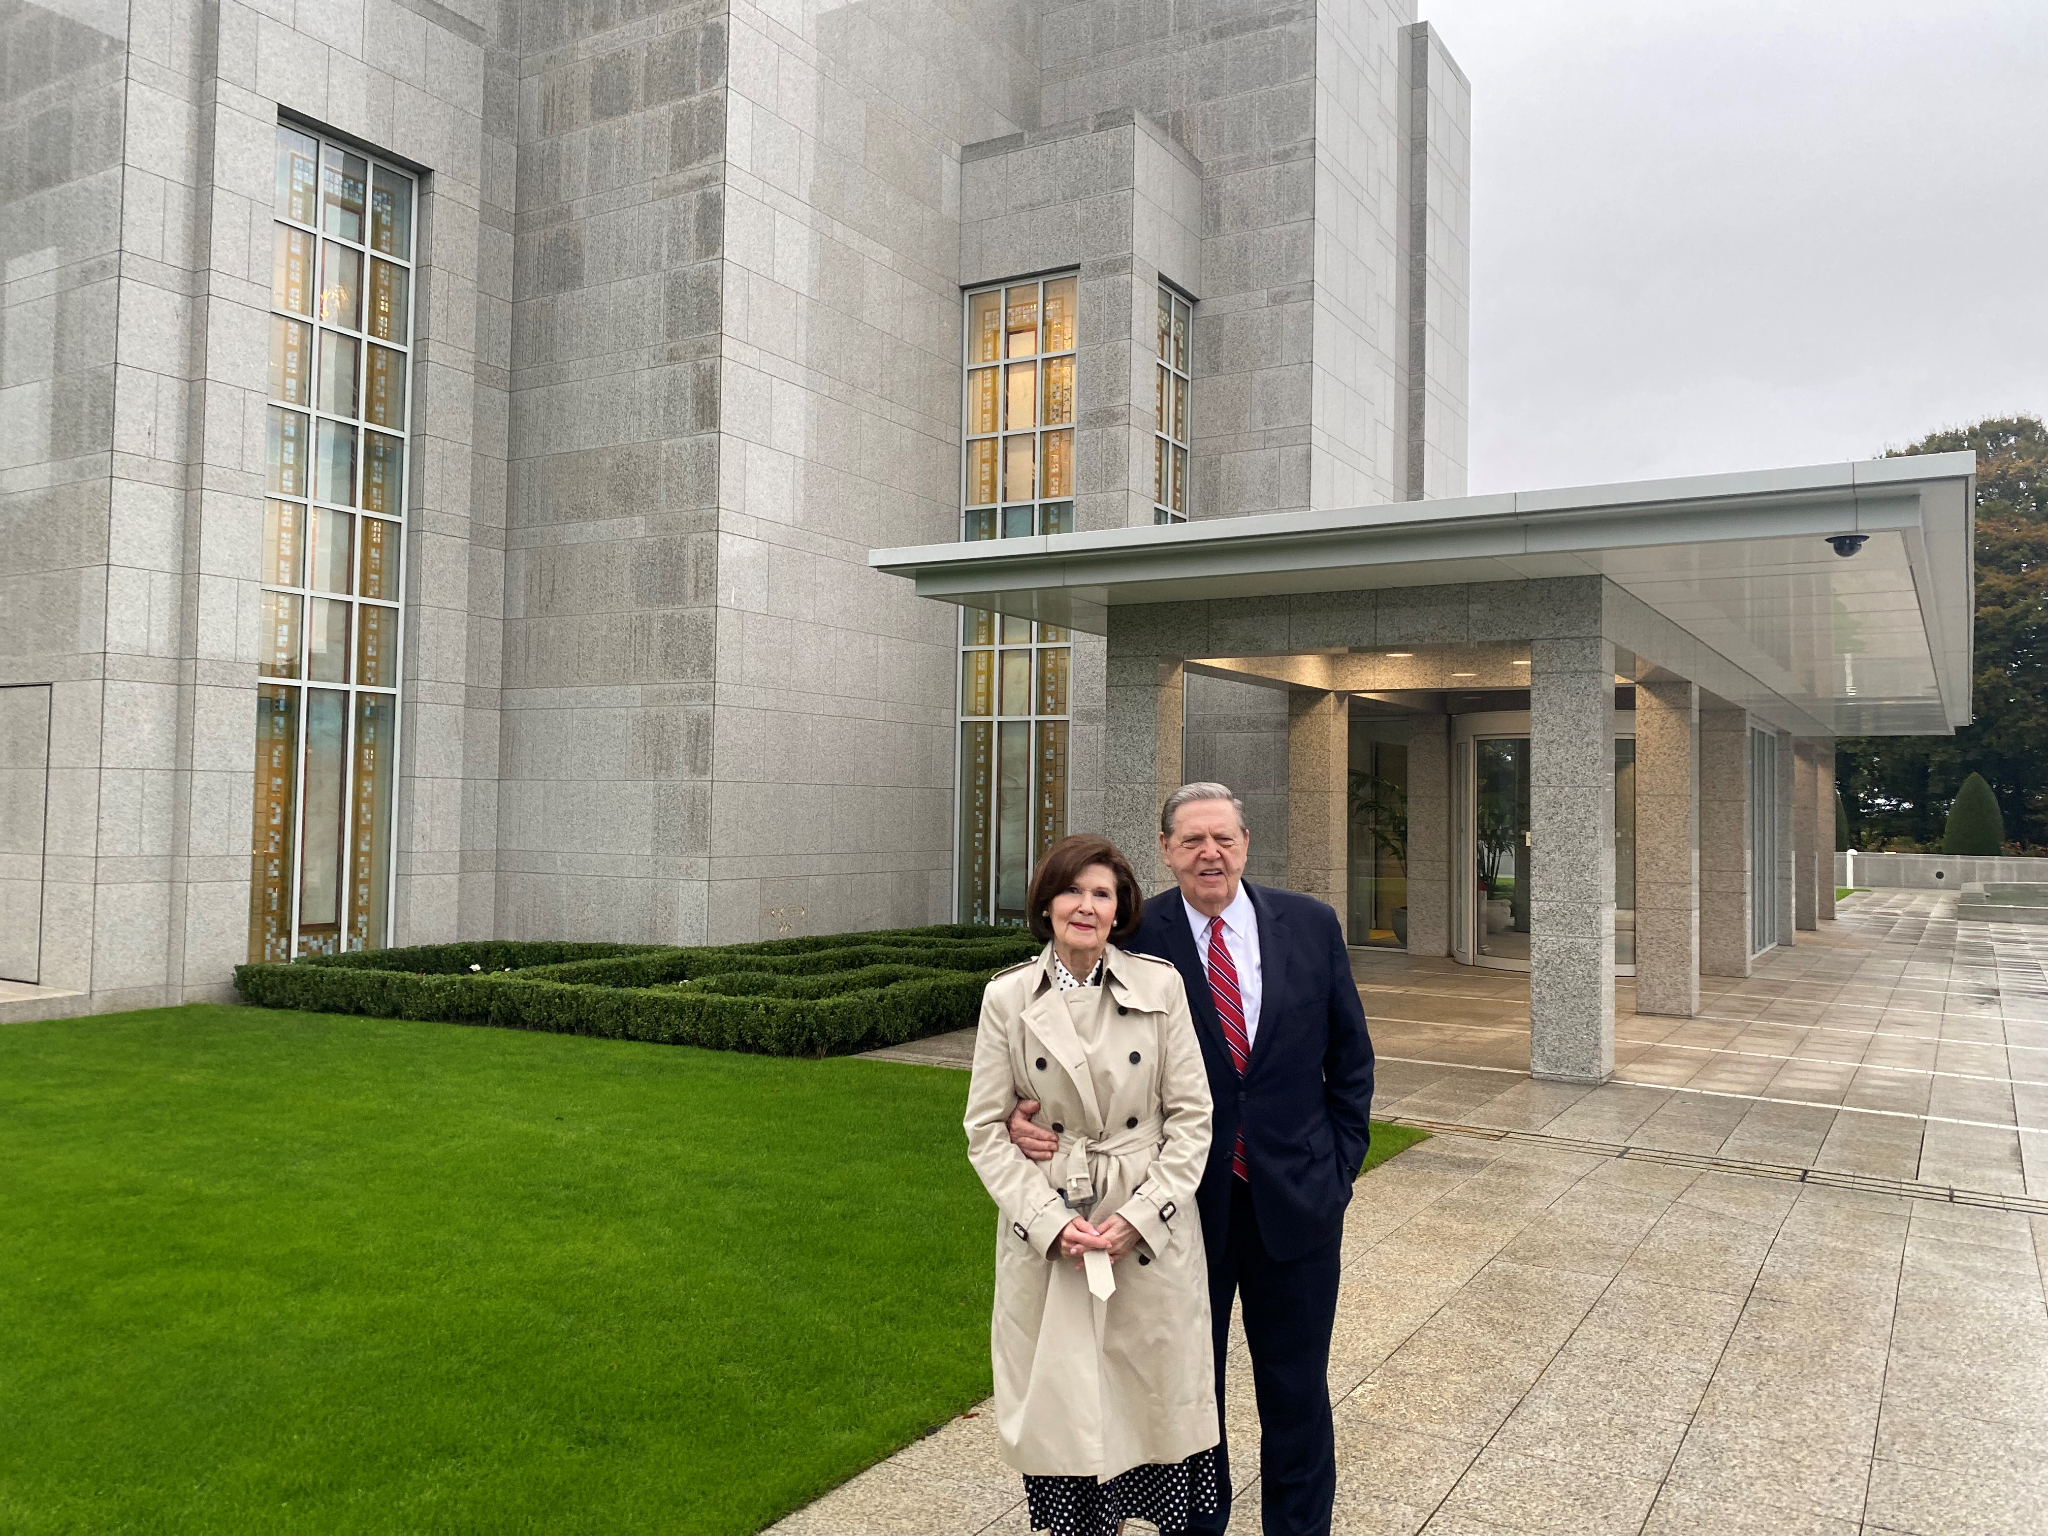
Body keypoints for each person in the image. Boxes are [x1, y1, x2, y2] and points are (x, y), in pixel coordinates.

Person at [1008, 784, 1375, 1536]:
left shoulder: (1311, 925)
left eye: (1223, 839)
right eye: (1192, 841)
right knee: (1185, 1393)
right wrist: (1025, 1112)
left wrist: (1338, 1170)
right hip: (1174, 1212)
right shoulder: (1134, 933)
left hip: (1298, 1201)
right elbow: (1060, 1031)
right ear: (1167, 851)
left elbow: (1351, 1061)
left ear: (1245, 843)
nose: (1210, 854)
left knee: (1297, 1393)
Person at [964, 833, 1219, 1536]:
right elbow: (986, 1130)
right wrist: (1048, 1224)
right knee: (1066, 1416)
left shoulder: (1161, 985)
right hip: (1057, 1228)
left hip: (1144, 1227)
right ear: (1046, 905)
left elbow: (1192, 1117)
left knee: (1151, 1412)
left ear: (1119, 909)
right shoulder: (1007, 997)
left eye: (1101, 894)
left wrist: (1144, 1215)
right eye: (1071, 891)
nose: (1086, 906)